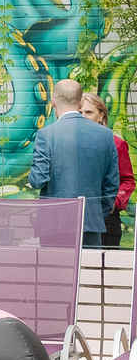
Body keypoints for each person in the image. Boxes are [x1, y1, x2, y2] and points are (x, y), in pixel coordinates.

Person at [27, 77, 121, 247]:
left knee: (54, 273)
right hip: (91, 223)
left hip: (54, 225)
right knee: (87, 273)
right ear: (79, 103)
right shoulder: (105, 136)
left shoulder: (46, 135)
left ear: (53, 101)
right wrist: (97, 213)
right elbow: (112, 185)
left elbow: (37, 180)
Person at [80, 91, 133, 249]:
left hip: (106, 220)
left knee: (100, 271)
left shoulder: (116, 144)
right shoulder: (69, 143)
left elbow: (127, 181)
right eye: (79, 112)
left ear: (101, 115)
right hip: (75, 218)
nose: (83, 116)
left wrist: (113, 203)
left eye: (88, 112)